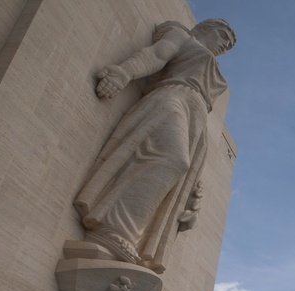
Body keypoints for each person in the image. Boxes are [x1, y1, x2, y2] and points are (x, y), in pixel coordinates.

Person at [73, 19, 236, 274]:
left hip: (198, 117)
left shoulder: (215, 71)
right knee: (172, 158)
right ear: (204, 29)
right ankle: (112, 229)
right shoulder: (184, 37)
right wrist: (124, 72)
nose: (227, 43)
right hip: (174, 96)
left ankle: (132, 238)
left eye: (231, 44)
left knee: (178, 171)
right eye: (224, 34)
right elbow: (157, 54)